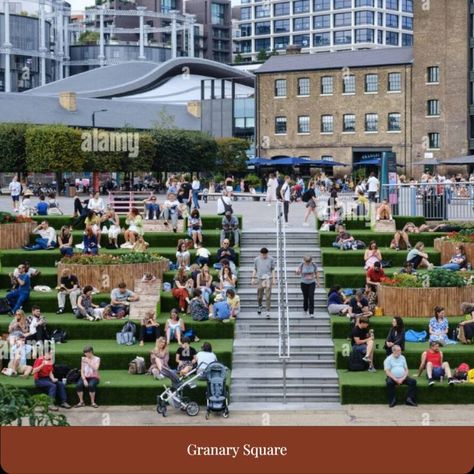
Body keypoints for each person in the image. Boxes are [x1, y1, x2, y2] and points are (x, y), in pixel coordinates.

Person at [251, 247, 276, 319]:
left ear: (267, 253)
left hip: (268, 278)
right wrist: (253, 278)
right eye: (263, 254)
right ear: (260, 254)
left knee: (268, 295)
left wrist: (274, 279)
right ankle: (260, 305)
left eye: (265, 254)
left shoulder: (271, 259)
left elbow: (273, 269)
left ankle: (268, 311)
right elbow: (255, 269)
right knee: (259, 295)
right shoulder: (256, 259)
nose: (264, 256)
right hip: (260, 279)